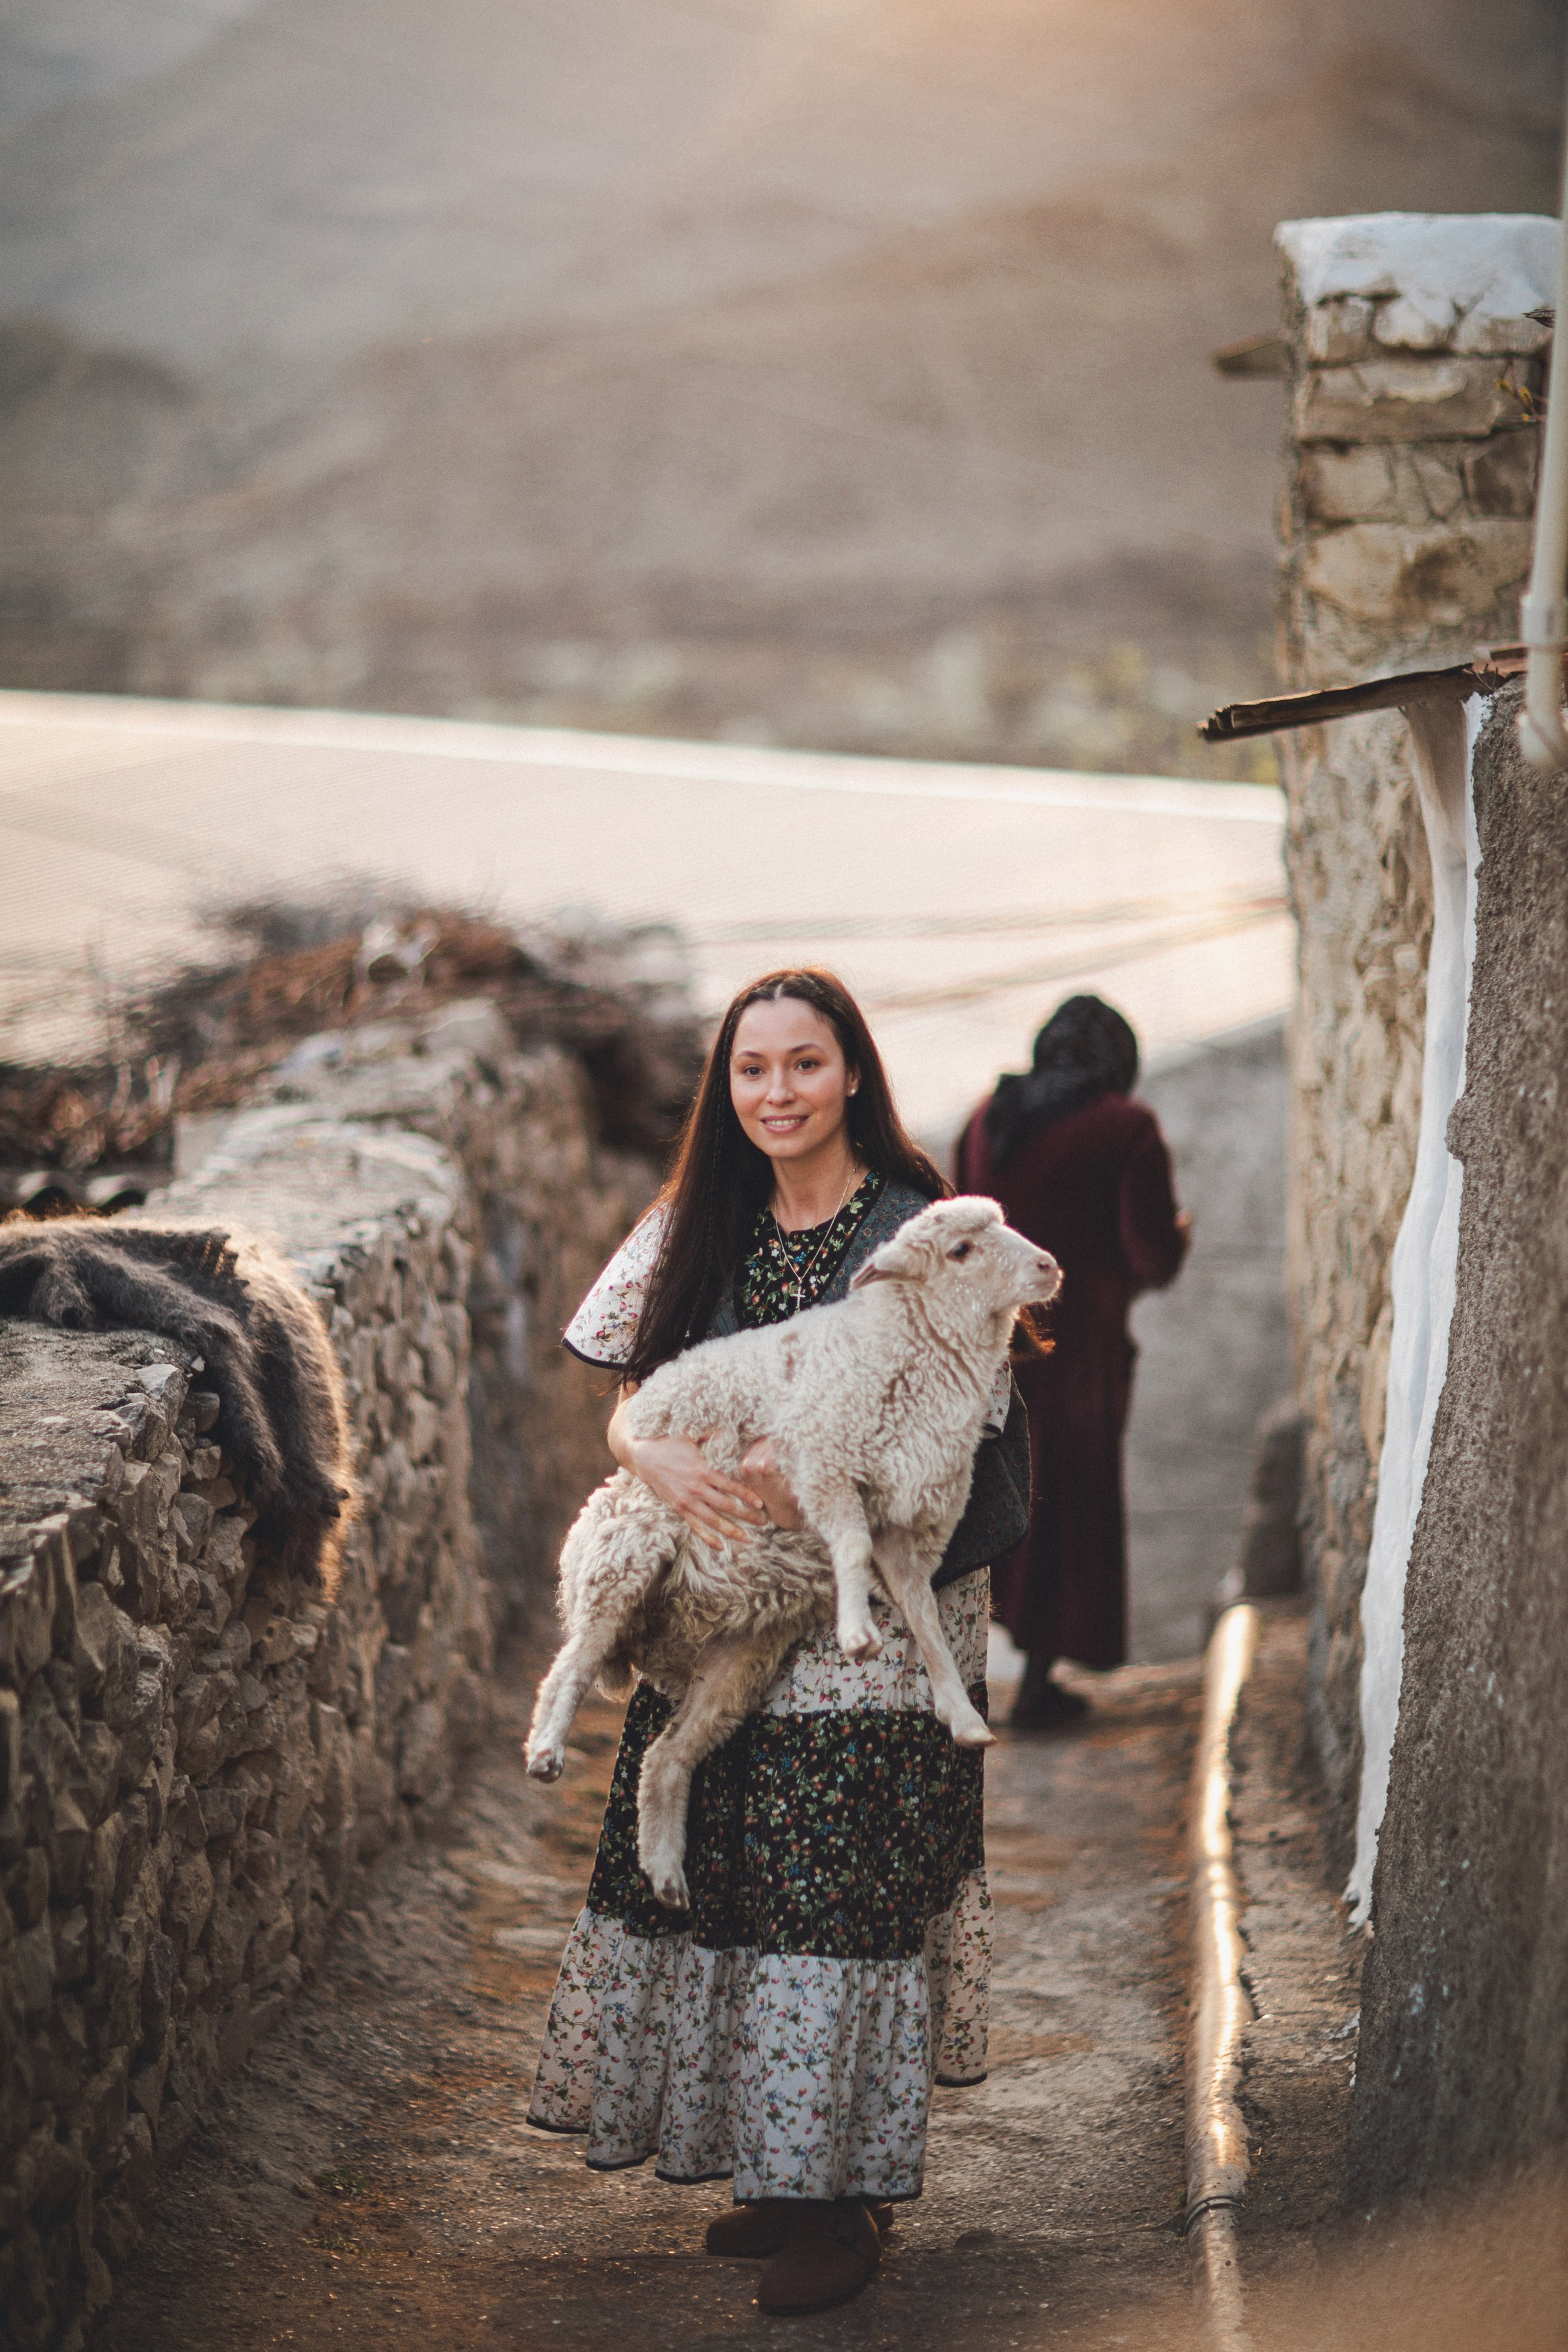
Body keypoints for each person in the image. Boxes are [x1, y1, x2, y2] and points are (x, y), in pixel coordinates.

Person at [529, 968, 1030, 2316]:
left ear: (851, 1073)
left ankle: (838, 2203)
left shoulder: (922, 1230)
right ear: (726, 1087)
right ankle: (774, 2163)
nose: (776, 1094)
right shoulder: (702, 1223)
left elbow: (974, 1428)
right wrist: (654, 1459)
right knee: (736, 1861)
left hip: (866, 1610)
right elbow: (630, 1399)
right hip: (731, 1600)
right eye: (752, 1072)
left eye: (802, 1066)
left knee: (838, 1875)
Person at [956, 995, 1189, 1729]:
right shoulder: (1126, 1129)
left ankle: (962, 1678)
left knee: (985, 1501)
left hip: (985, 1351)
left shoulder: (984, 1123)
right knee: (1063, 1504)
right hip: (1075, 1356)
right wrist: (1178, 1234)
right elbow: (1149, 1251)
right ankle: (1036, 1687)